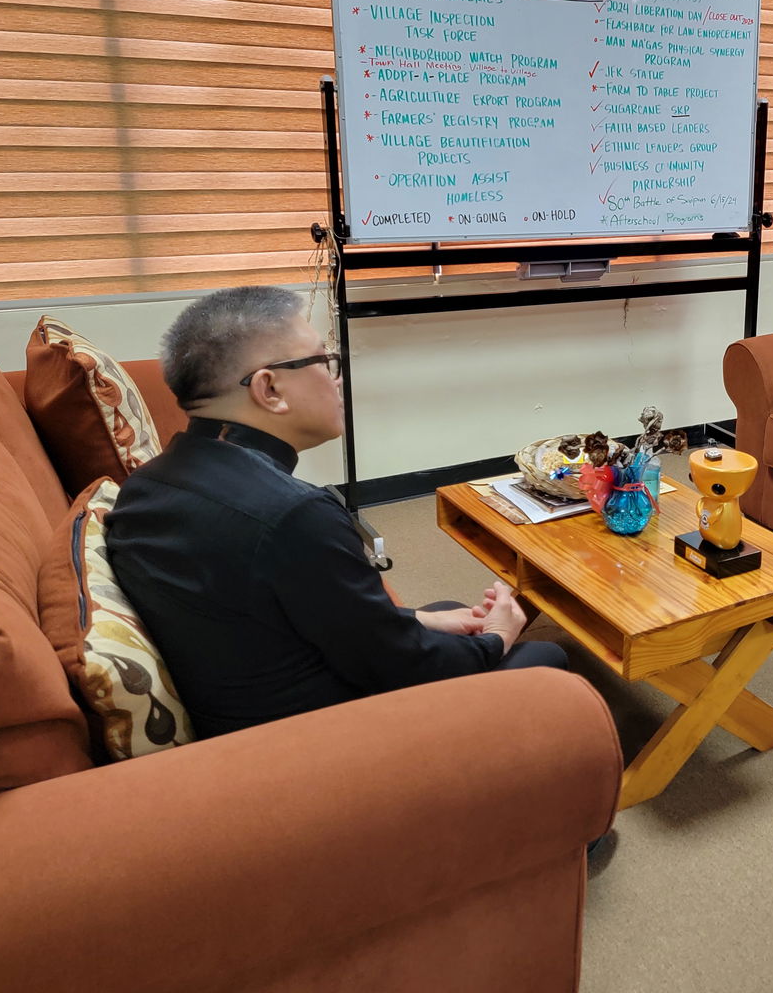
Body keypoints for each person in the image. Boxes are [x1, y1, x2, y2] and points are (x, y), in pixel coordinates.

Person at [106, 285, 567, 739]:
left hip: (246, 699)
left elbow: (277, 611)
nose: (337, 378)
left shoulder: (148, 482)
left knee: (446, 612)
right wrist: (498, 637)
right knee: (546, 659)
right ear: (270, 388)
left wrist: (420, 622)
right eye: (325, 362)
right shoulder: (293, 514)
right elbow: (403, 667)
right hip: (314, 744)